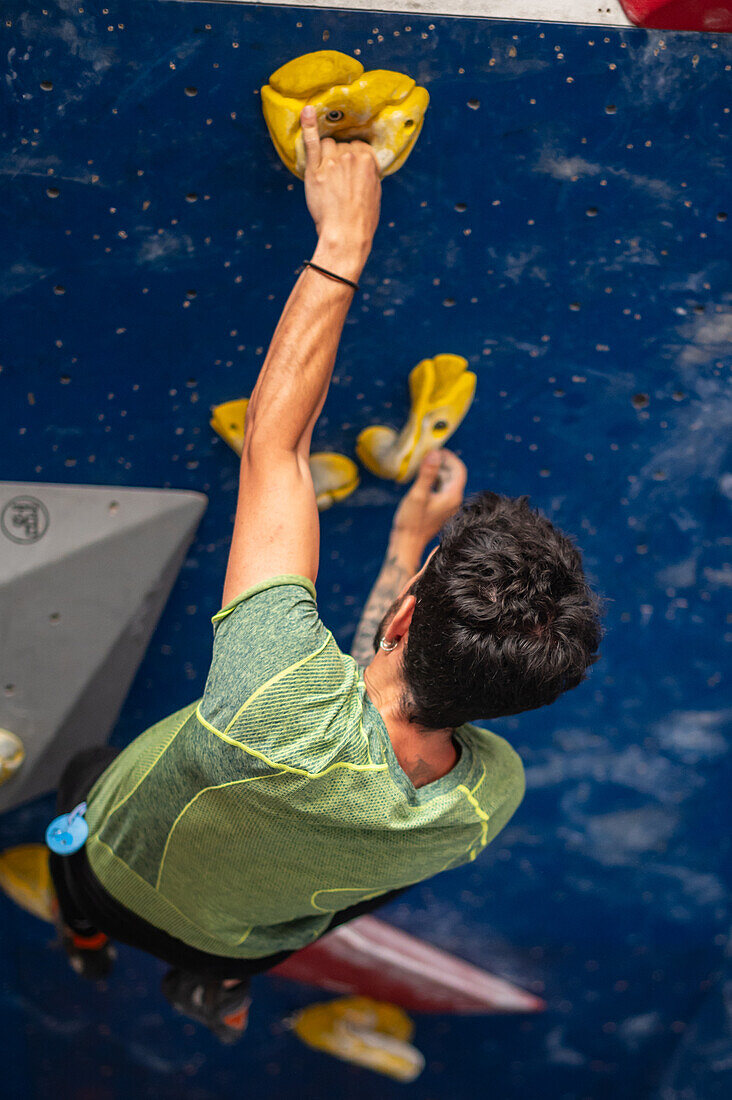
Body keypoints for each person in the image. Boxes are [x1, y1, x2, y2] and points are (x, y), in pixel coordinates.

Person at [49, 107, 603, 1043]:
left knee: (80, 784)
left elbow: (277, 444)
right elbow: (375, 710)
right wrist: (403, 548)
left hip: (118, 871)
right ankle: (209, 991)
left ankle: (85, 943)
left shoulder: (268, 693)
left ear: (403, 620)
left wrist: (342, 239)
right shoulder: (488, 795)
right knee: (282, 919)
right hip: (241, 941)